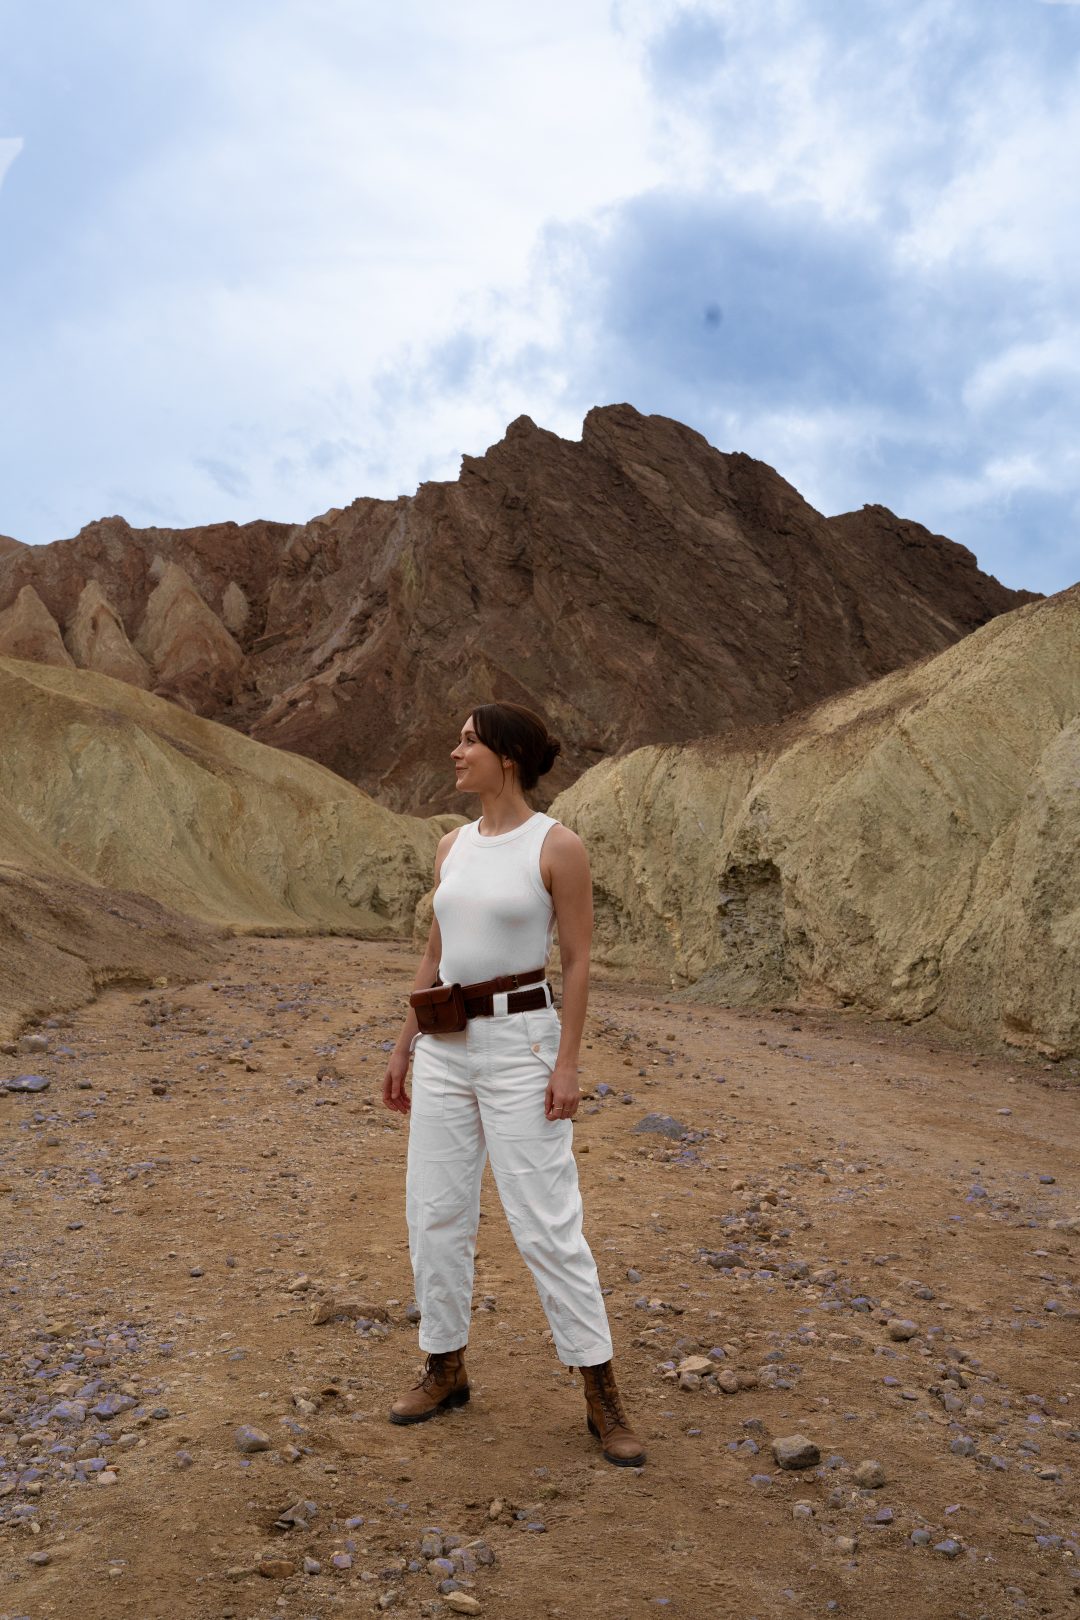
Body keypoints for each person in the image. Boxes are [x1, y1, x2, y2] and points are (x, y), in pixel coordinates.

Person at [381, 701, 645, 1467]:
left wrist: (567, 1063)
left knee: (546, 1222)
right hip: (444, 1048)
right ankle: (445, 1368)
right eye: (458, 737)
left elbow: (577, 962)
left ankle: (601, 1393)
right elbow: (435, 953)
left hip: (520, 1042)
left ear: (508, 757)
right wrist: (402, 1048)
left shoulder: (557, 847)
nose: (455, 750)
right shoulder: (450, 846)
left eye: (469, 740)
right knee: (434, 1211)